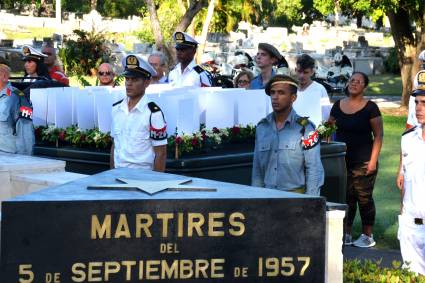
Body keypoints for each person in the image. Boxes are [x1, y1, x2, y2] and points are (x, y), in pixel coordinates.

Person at [329, 72, 383, 248]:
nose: (353, 83)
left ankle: (368, 235)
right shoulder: (338, 105)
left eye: (358, 81)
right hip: (342, 161)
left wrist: (373, 161)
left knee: (364, 198)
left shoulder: (370, 108)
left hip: (364, 161)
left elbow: (378, 135)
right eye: (352, 80)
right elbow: (328, 128)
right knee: (346, 197)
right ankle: (346, 233)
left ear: (364, 87)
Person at [251, 75, 324, 195]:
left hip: (295, 198)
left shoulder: (306, 128)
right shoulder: (262, 127)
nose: (275, 97)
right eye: (272, 93)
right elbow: (257, 169)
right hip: (265, 197)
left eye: (281, 93)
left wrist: (311, 201)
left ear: (293, 97)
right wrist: (255, 198)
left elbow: (314, 168)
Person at [110, 54, 167, 172]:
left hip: (142, 177)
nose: (129, 83)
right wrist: (112, 173)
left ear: (147, 82)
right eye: (127, 78)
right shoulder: (117, 109)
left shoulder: (153, 113)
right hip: (117, 174)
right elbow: (114, 146)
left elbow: (160, 153)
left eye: (135, 79)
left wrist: (153, 184)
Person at [397, 84, 425, 276]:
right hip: (410, 225)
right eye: (416, 103)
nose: (418, 108)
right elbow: (405, 182)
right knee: (411, 278)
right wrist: (403, 215)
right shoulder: (407, 138)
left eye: (424, 103)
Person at [0, 64, 35, 155]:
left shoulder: (18, 97)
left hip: (8, 155)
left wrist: (25, 160)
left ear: (4, 76)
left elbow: (26, 132)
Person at [294, 54, 330, 126]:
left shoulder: (320, 89)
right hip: (292, 134)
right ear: (295, 70)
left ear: (312, 72)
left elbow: (327, 115)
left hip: (314, 134)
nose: (302, 75)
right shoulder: (291, 89)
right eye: (299, 71)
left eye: (305, 72)